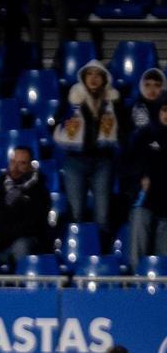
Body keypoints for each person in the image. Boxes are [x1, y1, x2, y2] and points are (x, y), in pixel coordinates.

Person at [54, 60, 119, 231]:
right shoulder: (72, 99)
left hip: (103, 162)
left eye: (98, 74)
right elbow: (56, 123)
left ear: (104, 79)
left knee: (102, 216)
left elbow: (124, 129)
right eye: (89, 74)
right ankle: (77, 246)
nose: (93, 78)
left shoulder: (113, 101)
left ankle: (101, 246)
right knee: (76, 213)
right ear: (83, 77)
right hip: (75, 161)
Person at [125, 101, 167, 270]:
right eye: (165, 110)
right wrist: (140, 177)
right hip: (144, 202)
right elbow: (127, 165)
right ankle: (136, 281)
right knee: (138, 257)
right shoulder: (144, 136)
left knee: (163, 263)